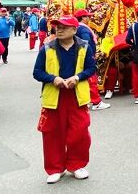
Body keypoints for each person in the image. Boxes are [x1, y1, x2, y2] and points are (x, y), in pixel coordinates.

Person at [32, 15, 97, 184]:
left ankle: (77, 165)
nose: (59, 29)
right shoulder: (47, 49)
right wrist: (53, 79)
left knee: (80, 132)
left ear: (74, 30)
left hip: (77, 96)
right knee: (52, 133)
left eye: (64, 27)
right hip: (54, 96)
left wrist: (77, 77)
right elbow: (37, 72)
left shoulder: (84, 47)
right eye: (57, 26)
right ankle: (55, 168)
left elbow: (91, 68)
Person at [74, 10, 110, 111]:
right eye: (87, 17)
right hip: (86, 58)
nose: (89, 19)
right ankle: (96, 102)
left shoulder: (77, 28)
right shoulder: (84, 30)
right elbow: (86, 43)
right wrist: (90, 56)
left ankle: (84, 100)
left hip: (79, 57)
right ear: (83, 18)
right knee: (91, 80)